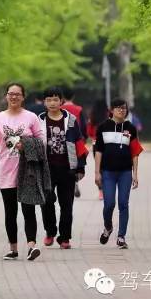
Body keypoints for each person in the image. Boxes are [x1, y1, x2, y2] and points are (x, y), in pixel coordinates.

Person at [0, 81, 45, 261]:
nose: (14, 96)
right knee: (10, 211)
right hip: (6, 171)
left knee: (28, 209)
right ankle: (13, 249)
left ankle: (31, 246)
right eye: (11, 93)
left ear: (23, 97)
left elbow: (42, 140)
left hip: (27, 171)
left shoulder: (31, 117)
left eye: (17, 94)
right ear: (6, 96)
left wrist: (26, 145)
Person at [38, 87, 88, 249]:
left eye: (55, 99)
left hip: (67, 168)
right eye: (49, 100)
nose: (52, 103)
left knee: (67, 204)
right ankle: (50, 231)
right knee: (46, 201)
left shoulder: (70, 119)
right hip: (46, 169)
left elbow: (79, 143)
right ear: (44, 102)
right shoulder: (39, 120)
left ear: (61, 101)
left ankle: (65, 237)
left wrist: (80, 168)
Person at [94, 97, 143, 249]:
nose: (122, 110)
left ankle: (121, 236)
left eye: (124, 108)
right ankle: (108, 227)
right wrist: (97, 172)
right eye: (118, 108)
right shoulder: (103, 127)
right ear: (112, 110)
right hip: (107, 172)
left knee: (123, 203)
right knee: (109, 203)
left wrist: (135, 174)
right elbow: (98, 151)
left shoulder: (130, 128)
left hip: (125, 172)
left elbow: (135, 152)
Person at [61, 89, 87, 197]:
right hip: (76, 139)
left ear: (62, 97)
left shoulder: (59, 108)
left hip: (61, 139)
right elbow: (83, 126)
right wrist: (83, 138)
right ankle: (74, 181)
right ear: (73, 96)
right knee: (75, 162)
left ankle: (66, 183)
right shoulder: (78, 109)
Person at [88, 98, 110, 199]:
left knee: (99, 167)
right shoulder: (109, 115)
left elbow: (89, 132)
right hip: (108, 143)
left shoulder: (92, 116)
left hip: (96, 144)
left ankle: (101, 192)